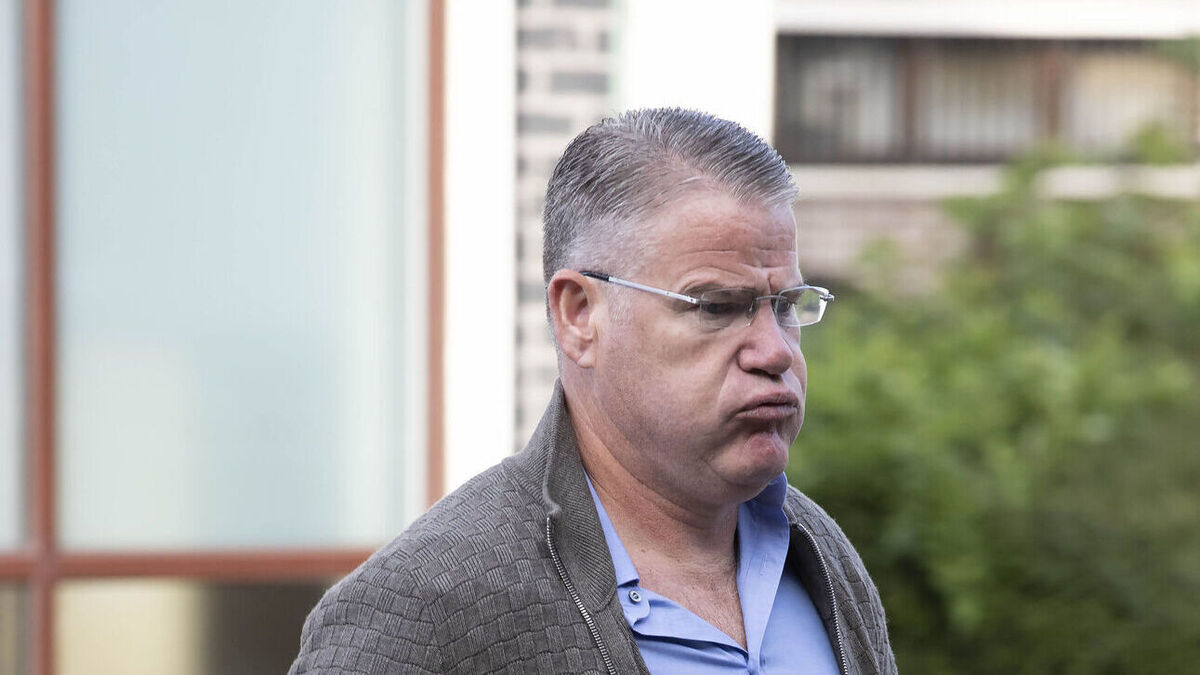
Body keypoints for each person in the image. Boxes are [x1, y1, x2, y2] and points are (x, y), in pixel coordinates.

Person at [289, 108, 896, 674]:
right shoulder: (422, 610)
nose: (775, 352)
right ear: (579, 314)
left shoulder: (817, 553)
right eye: (716, 306)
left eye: (785, 306)